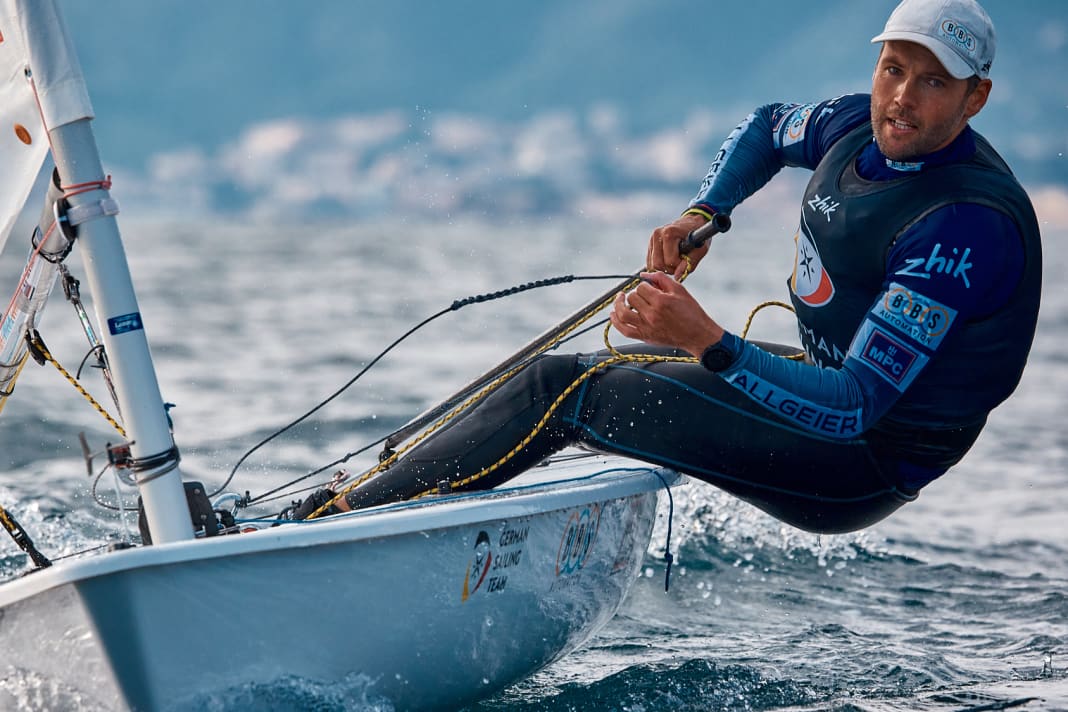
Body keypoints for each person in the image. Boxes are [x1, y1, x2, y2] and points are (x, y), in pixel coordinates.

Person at [293, 0, 1041, 533]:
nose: (901, 98)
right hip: (834, 397)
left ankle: (342, 523)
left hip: (863, 460)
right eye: (893, 69)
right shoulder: (853, 125)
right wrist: (703, 213)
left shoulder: (963, 228)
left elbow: (853, 407)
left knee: (563, 390)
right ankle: (375, 494)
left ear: (975, 97)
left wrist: (704, 340)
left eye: (933, 82)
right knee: (596, 367)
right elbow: (764, 128)